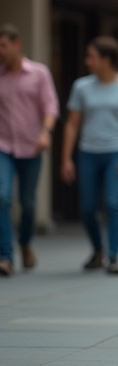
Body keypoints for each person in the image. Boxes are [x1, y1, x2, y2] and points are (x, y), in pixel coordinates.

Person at [60, 36, 118, 275]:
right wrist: (66, 157)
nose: (87, 61)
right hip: (89, 151)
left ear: (107, 60)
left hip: (117, 151)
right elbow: (72, 124)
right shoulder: (81, 87)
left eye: (92, 57)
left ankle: (114, 257)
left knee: (113, 203)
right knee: (87, 208)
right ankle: (98, 249)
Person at [0, 24, 59, 276]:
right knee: (2, 197)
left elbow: (50, 106)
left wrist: (45, 132)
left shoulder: (39, 73)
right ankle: (6, 256)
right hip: (3, 145)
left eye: (3, 45)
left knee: (28, 202)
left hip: (31, 145)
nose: (0, 51)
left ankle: (25, 242)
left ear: (17, 44)